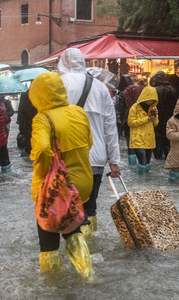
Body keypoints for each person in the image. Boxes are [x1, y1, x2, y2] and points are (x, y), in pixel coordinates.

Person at [29, 72, 93, 277]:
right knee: (72, 229)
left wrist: (41, 176)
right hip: (83, 182)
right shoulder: (78, 112)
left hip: (57, 188)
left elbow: (41, 149)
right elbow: (89, 142)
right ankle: (87, 274)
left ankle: (53, 284)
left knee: (48, 240)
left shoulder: (43, 118)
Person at [58, 48, 121, 237]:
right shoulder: (101, 88)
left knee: (69, 206)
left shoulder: (58, 84)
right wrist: (114, 161)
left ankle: (75, 249)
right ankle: (91, 244)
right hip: (97, 158)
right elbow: (111, 128)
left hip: (67, 156)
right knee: (90, 206)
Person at [127, 85, 159, 173]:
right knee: (142, 162)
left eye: (153, 99)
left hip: (149, 139)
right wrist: (146, 119)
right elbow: (130, 122)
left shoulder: (153, 108)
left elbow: (155, 124)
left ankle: (145, 181)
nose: (151, 101)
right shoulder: (135, 107)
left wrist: (155, 117)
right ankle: (139, 181)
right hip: (138, 139)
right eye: (150, 99)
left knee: (148, 164)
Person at [150, 71, 178, 161]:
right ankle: (168, 157)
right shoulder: (173, 89)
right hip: (170, 118)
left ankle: (158, 156)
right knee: (168, 139)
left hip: (158, 117)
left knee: (157, 138)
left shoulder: (156, 90)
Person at [16, 90, 37, 156]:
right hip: (28, 122)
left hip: (31, 122)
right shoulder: (25, 95)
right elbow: (21, 110)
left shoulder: (25, 94)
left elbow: (21, 109)